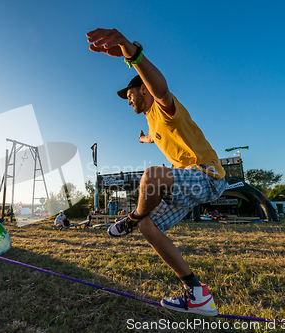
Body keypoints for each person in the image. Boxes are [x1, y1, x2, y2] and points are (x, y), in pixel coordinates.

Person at [87, 28, 226, 317]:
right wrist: (143, 139)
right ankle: (196, 293)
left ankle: (131, 217)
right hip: (189, 184)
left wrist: (131, 53)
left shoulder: (164, 107)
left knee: (151, 176)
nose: (128, 102)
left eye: (129, 95)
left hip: (207, 176)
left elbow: (160, 88)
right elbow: (154, 136)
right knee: (148, 225)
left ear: (142, 90)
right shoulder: (152, 123)